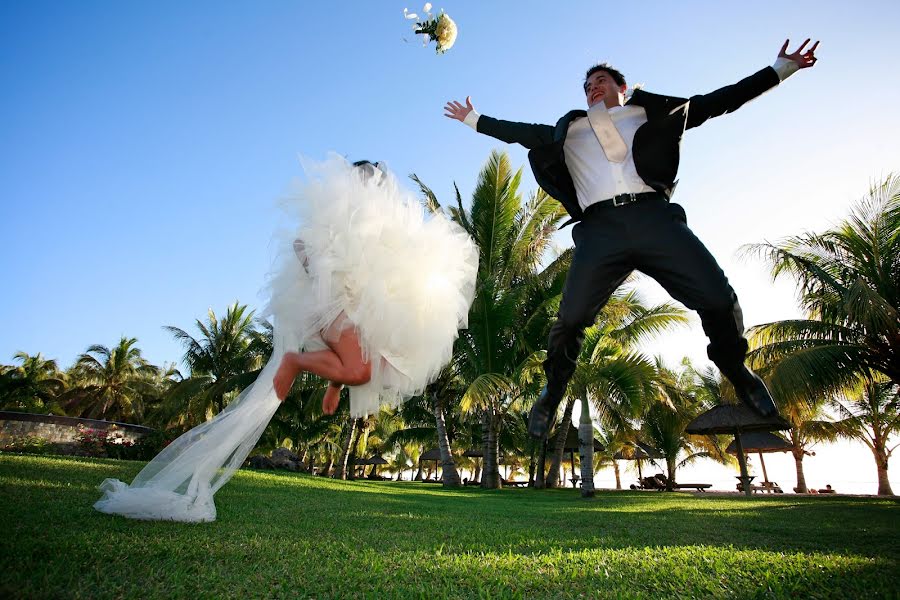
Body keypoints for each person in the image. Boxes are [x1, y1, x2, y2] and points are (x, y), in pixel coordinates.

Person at [444, 39, 819, 438]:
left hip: (654, 218)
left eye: (600, 80)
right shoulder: (567, 131)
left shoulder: (652, 114)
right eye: (587, 86)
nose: (592, 88)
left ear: (621, 88)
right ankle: (553, 390)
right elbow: (513, 131)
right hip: (600, 230)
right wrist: (473, 118)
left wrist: (780, 69)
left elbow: (719, 101)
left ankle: (736, 370)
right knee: (570, 320)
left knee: (717, 298)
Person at [93, 156, 478, 521]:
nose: (377, 188)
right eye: (370, 181)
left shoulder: (369, 235)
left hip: (338, 316)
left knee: (368, 364)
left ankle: (311, 372)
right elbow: (303, 250)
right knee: (361, 368)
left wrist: (333, 386)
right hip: (324, 309)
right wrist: (324, 276)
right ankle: (295, 363)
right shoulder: (335, 223)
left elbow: (365, 328)